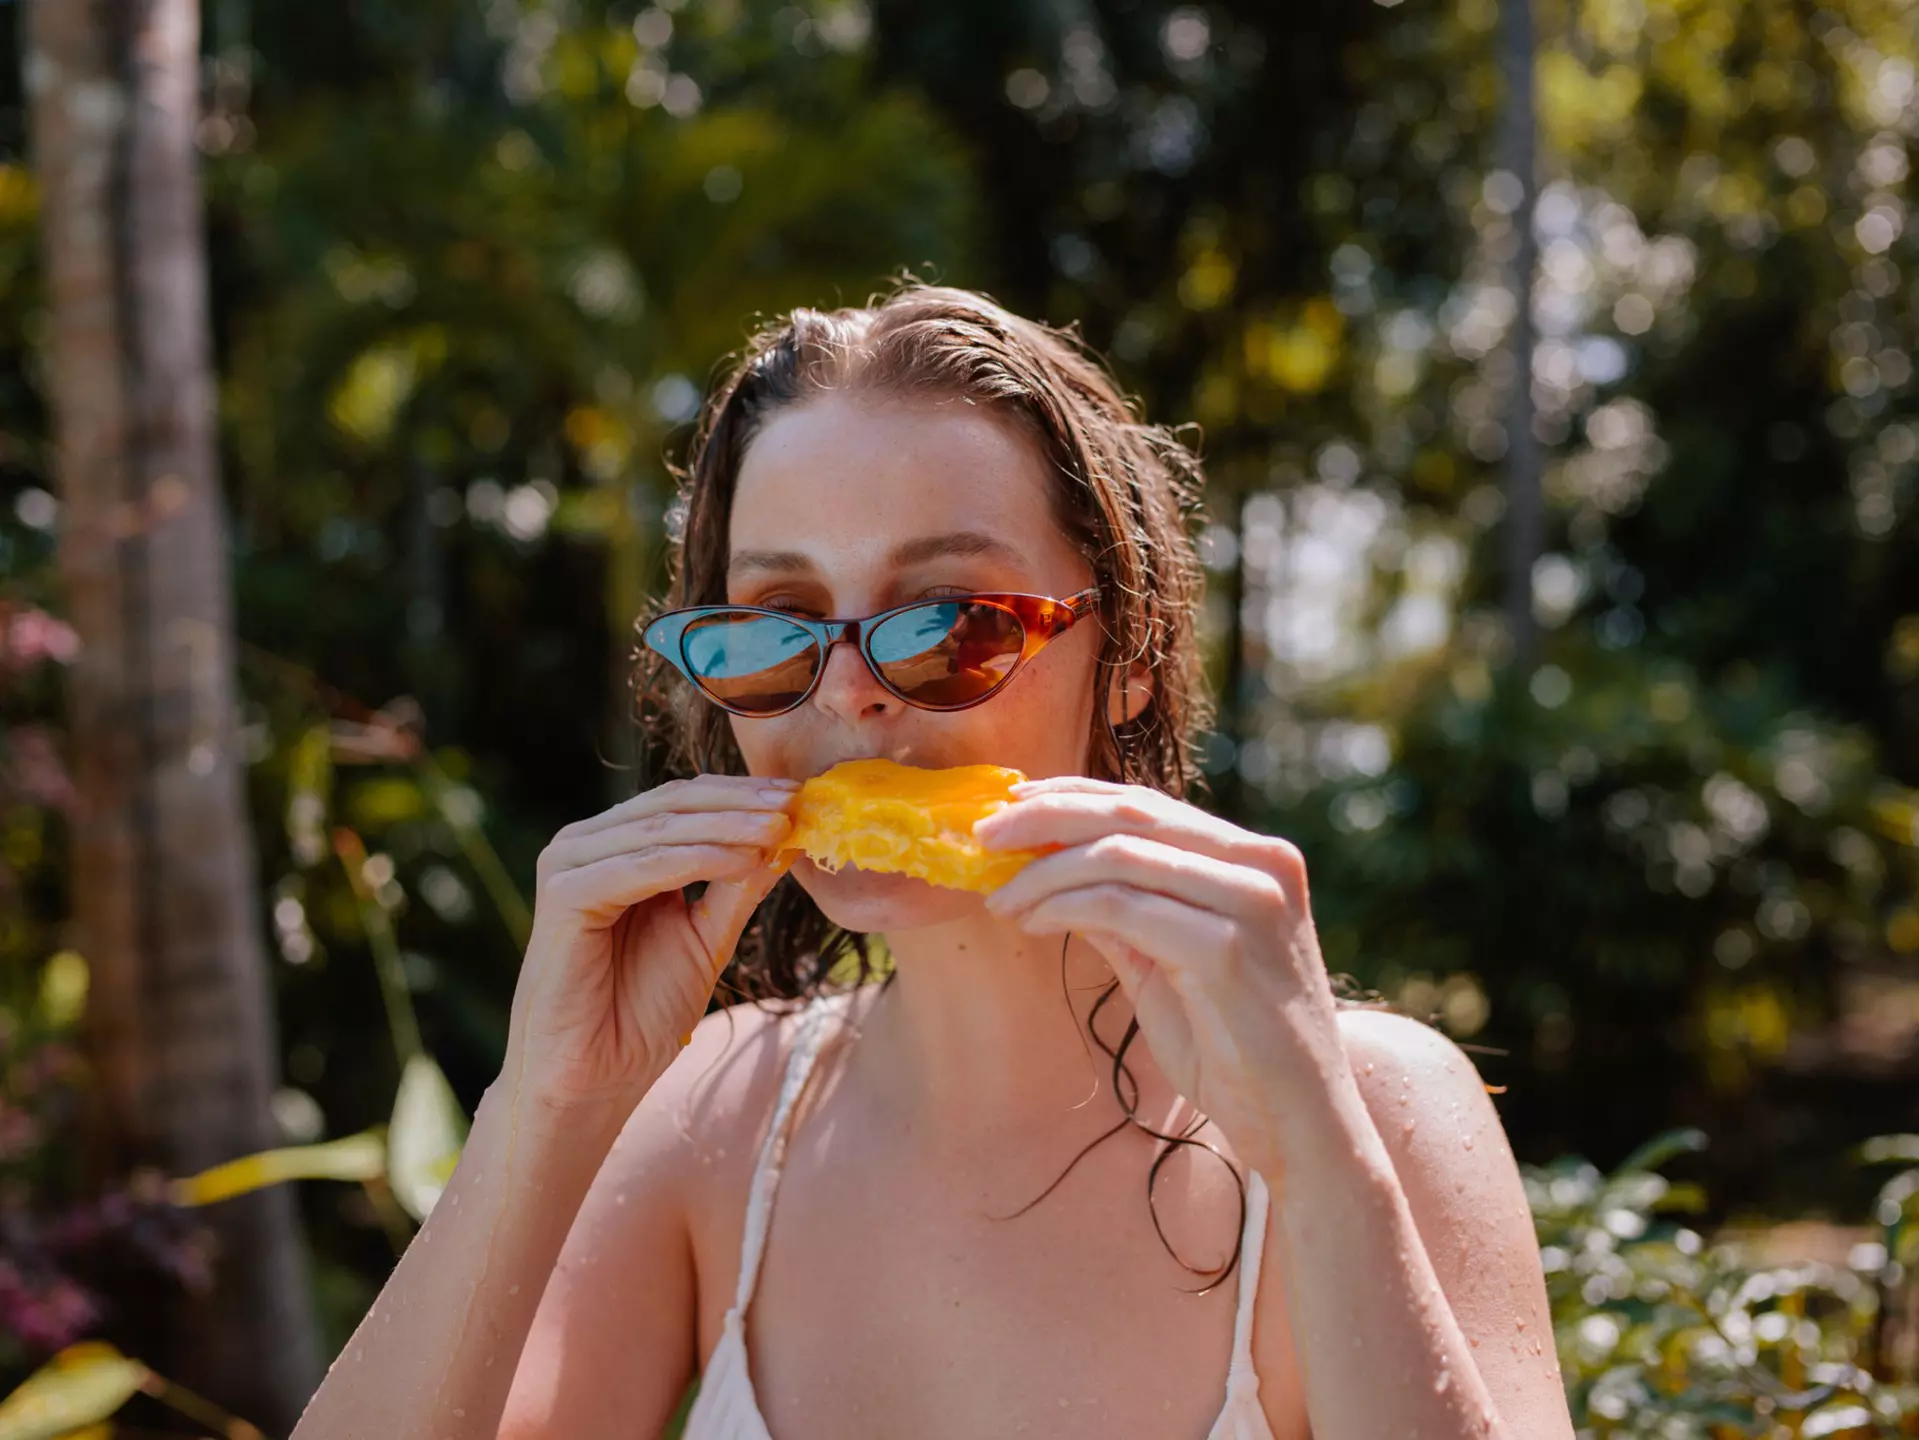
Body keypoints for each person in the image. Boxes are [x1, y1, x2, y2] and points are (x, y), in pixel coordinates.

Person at [291, 285, 1575, 1440]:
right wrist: (548, 1108)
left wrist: (1318, 1160)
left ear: (1128, 655)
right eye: (779, 624)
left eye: (951, 624)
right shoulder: (713, 1119)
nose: (846, 693)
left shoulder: (1368, 1109)